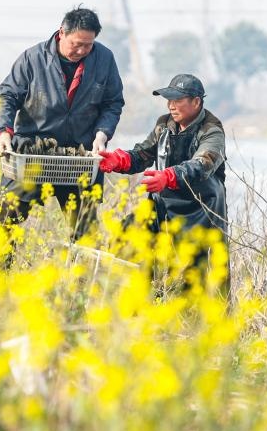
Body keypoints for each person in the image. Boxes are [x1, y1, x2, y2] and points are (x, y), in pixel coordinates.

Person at [0, 6, 124, 242]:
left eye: (88, 45)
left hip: (79, 154)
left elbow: (112, 103)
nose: (82, 50)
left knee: (85, 233)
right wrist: (4, 133)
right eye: (77, 43)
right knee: (7, 225)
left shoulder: (104, 59)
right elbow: (7, 97)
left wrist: (102, 134)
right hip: (33, 152)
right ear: (61, 33)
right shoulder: (32, 58)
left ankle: (80, 277)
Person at [97, 74, 229, 296]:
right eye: (168, 100)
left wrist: (168, 176)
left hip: (201, 210)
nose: (171, 105)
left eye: (177, 100)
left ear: (196, 101)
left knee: (197, 275)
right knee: (126, 238)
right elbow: (143, 153)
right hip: (163, 204)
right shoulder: (164, 124)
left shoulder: (212, 130)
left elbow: (202, 164)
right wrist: (120, 160)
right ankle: (141, 303)